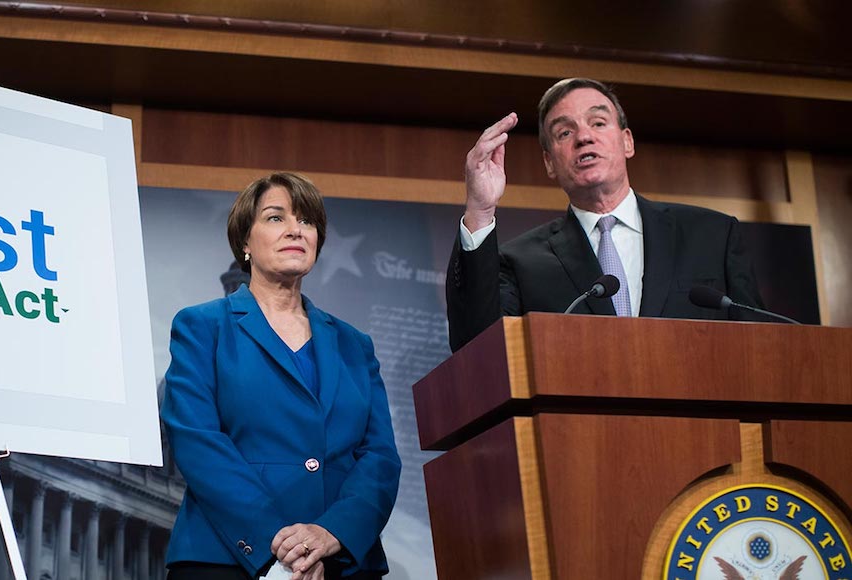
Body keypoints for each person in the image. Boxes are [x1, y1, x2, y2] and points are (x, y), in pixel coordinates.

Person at [161, 172, 402, 580]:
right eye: (276, 218)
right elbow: (198, 441)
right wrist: (279, 550)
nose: (295, 229)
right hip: (228, 560)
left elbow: (380, 458)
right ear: (244, 241)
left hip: (339, 563)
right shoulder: (201, 326)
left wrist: (330, 533)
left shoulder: (354, 345)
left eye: (307, 221)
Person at [445, 77, 764, 352]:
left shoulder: (712, 235)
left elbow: (759, 346)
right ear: (549, 163)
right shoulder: (519, 263)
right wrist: (480, 209)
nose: (584, 137)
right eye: (564, 133)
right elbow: (476, 349)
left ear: (627, 142)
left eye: (597, 123)